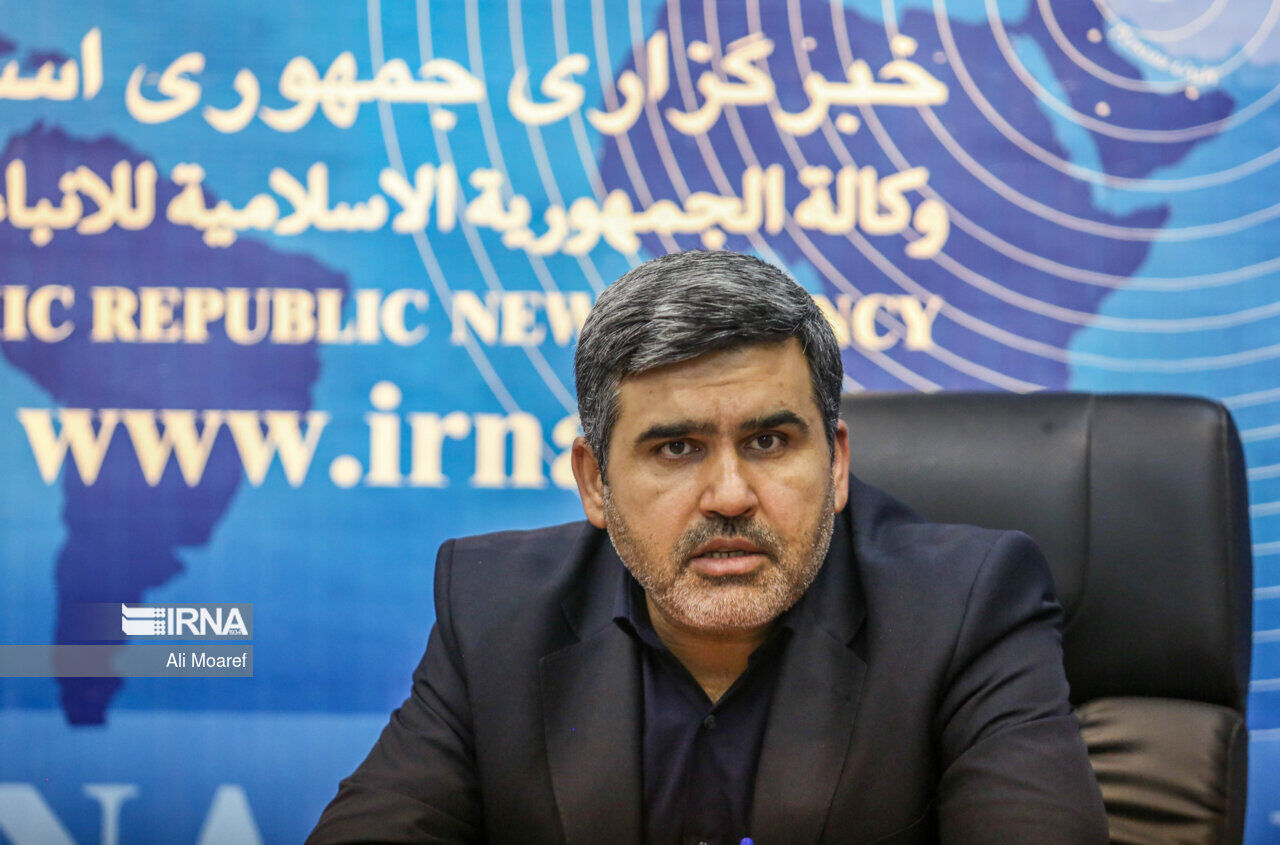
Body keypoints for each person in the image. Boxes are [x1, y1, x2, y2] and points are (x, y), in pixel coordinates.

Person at [307, 250, 1108, 844]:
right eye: (677, 448)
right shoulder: (494, 608)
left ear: (836, 465)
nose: (729, 494)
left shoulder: (966, 605)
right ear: (594, 481)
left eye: (768, 441)